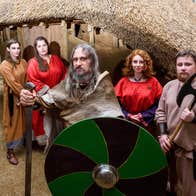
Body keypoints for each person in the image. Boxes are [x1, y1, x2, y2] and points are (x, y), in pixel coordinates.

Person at [20, 43, 123, 134]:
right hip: (73, 140)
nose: (78, 63)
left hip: (98, 138)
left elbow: (114, 114)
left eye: (83, 59)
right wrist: (31, 98)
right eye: (75, 60)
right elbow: (50, 98)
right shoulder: (67, 85)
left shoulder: (104, 85)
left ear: (92, 62)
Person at [155, 49, 196, 196]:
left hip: (190, 153)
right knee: (172, 189)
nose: (183, 67)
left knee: (188, 191)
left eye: (188, 64)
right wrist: (163, 134)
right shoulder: (169, 86)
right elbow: (160, 113)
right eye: (180, 64)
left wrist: (194, 119)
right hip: (170, 148)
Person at [27, 36, 67, 146]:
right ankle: (45, 142)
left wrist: (61, 88)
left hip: (58, 94)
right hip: (43, 95)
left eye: (44, 45)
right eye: (39, 46)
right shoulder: (33, 62)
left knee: (59, 118)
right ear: (36, 48)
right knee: (43, 119)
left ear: (47, 46)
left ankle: (58, 140)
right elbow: (32, 79)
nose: (42, 48)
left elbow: (64, 74)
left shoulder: (56, 59)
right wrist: (48, 90)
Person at [115, 49, 162, 136]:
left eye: (141, 62)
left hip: (146, 124)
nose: (138, 65)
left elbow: (159, 104)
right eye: (135, 62)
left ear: (145, 64)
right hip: (126, 123)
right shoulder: (123, 82)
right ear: (131, 64)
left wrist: (143, 115)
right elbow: (116, 104)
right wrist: (128, 115)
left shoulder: (153, 82)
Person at [0, 39, 27, 165]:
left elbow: (27, 78)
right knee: (12, 124)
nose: (17, 51)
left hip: (24, 96)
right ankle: (10, 151)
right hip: (13, 98)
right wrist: (24, 94)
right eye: (14, 48)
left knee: (23, 121)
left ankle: (23, 142)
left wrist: (28, 90)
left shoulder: (23, 62)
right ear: (8, 49)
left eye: (18, 48)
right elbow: (13, 83)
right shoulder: (4, 65)